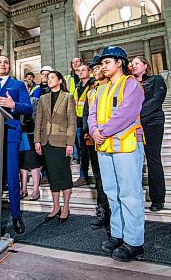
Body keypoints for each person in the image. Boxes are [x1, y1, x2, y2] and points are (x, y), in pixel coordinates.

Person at [88, 46, 145, 262]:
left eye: (106, 62)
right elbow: (92, 114)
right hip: (104, 146)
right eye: (101, 64)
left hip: (126, 145)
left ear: (119, 62)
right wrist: (94, 131)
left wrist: (102, 132)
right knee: (112, 192)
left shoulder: (132, 84)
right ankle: (118, 234)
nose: (102, 66)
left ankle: (134, 242)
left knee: (130, 193)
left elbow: (126, 113)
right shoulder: (100, 90)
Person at [0, 55, 32, 234]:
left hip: (10, 133)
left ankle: (16, 216)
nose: (3, 64)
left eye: (6, 62)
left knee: (11, 176)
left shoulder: (17, 85)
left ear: (9, 66)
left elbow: (28, 108)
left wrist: (13, 104)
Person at [34, 71, 76, 222]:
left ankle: (66, 207)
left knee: (64, 174)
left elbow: (72, 122)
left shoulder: (68, 97)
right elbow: (38, 121)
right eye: (48, 77)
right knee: (52, 175)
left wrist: (70, 143)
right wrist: (37, 140)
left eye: (52, 77)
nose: (49, 79)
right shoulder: (43, 98)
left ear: (59, 80)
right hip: (46, 141)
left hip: (62, 141)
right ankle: (56, 206)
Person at [132, 56, 167, 212]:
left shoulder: (156, 80)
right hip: (134, 127)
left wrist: (138, 113)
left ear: (145, 65)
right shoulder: (129, 83)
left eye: (137, 63)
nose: (134, 66)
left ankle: (158, 199)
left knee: (153, 160)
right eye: (132, 64)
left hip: (153, 123)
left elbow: (157, 99)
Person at [82, 55, 110, 230]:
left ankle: (115, 213)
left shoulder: (114, 87)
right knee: (99, 177)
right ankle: (102, 212)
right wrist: (90, 131)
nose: (96, 70)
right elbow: (86, 114)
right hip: (94, 140)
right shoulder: (91, 92)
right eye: (93, 68)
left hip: (112, 138)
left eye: (99, 67)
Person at [19, 80, 42, 201]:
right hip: (20, 135)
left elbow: (38, 118)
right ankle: (23, 188)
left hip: (31, 134)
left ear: (28, 89)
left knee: (33, 162)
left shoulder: (35, 100)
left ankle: (35, 188)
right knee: (22, 163)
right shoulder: (16, 101)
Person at [31, 65, 53, 185]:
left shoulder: (55, 89)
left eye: (47, 74)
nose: (44, 77)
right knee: (41, 152)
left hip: (53, 125)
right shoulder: (36, 90)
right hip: (39, 125)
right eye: (43, 74)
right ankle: (44, 174)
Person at [73, 64, 93, 187]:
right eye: (78, 71)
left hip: (91, 123)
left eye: (83, 70)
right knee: (83, 152)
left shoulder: (93, 85)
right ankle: (83, 176)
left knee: (93, 153)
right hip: (79, 123)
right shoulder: (77, 87)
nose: (80, 72)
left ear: (89, 72)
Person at [65, 57, 83, 164]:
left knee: (82, 135)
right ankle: (76, 156)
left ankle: (84, 156)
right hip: (71, 110)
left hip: (83, 111)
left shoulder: (87, 76)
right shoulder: (68, 79)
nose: (76, 64)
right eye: (73, 63)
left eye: (77, 62)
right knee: (73, 135)